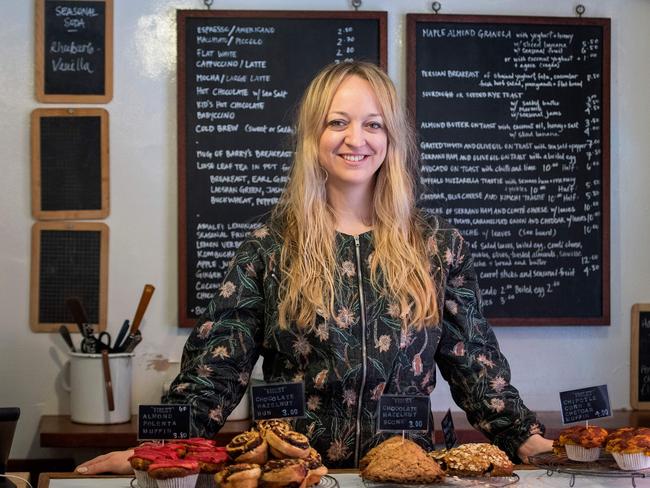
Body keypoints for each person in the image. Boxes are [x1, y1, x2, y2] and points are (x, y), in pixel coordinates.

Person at [76, 61, 553, 474]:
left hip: (408, 473)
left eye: (373, 124)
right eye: (337, 122)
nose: (356, 140)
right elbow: (214, 371)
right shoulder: (268, 247)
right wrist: (158, 450)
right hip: (295, 474)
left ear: (391, 137)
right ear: (313, 137)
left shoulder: (437, 245)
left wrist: (527, 438)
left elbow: (475, 364)